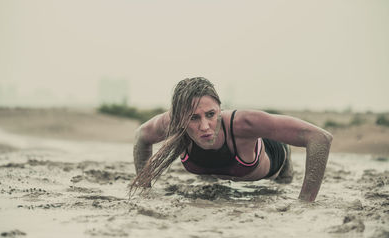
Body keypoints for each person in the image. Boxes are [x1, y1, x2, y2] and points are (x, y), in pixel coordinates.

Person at [131, 77, 333, 202]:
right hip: (220, 172)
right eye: (193, 118)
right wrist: (144, 189)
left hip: (273, 156)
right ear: (179, 119)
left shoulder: (244, 123)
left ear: (220, 108)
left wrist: (305, 202)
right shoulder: (171, 123)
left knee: (284, 175)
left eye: (211, 114)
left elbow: (320, 138)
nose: (204, 126)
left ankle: (287, 160)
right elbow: (141, 136)